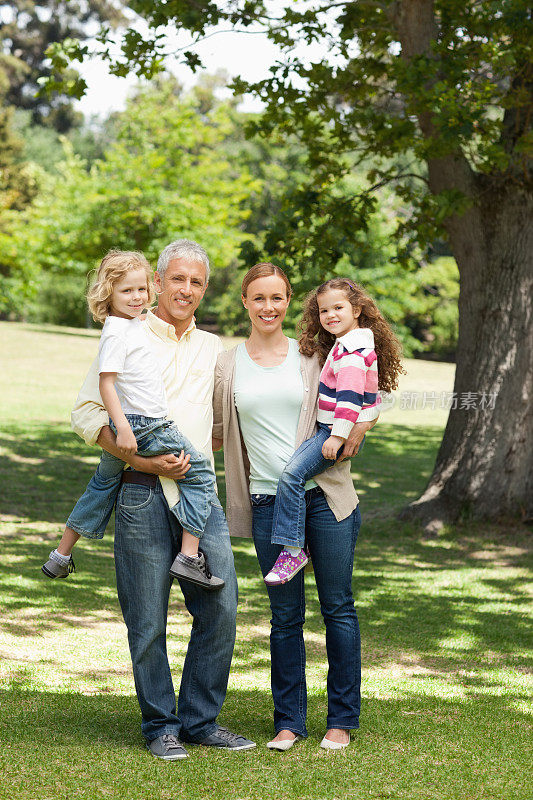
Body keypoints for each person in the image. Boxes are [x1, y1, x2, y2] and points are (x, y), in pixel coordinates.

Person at [69, 239, 255, 760]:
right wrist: (146, 461)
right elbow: (87, 413)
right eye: (178, 279)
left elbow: (223, 421)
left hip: (200, 498)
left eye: (197, 282)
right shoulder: (126, 333)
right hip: (141, 495)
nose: (187, 290)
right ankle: (161, 725)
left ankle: (200, 720)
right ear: (157, 281)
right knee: (147, 620)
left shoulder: (212, 347)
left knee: (221, 608)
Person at [212, 263, 380, 751]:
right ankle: (289, 722)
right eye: (259, 298)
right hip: (267, 503)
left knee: (338, 609)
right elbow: (219, 429)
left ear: (289, 302)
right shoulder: (228, 364)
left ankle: (341, 720)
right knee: (285, 617)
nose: (269, 307)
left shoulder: (315, 353)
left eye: (278, 298)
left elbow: (366, 393)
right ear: (244, 301)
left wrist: (356, 434)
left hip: (325, 498)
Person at [42, 249, 224, 590]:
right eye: (127, 291)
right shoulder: (117, 333)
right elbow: (104, 383)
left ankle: (61, 554)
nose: (137, 297)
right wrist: (128, 438)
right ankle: (189, 557)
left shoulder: (135, 325)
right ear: (108, 294)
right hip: (147, 425)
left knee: (100, 484)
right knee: (199, 474)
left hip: (136, 425)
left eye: (141, 290)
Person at [263, 278, 403, 586]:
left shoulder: (352, 352)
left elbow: (351, 399)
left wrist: (338, 435)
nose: (330, 315)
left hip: (333, 431)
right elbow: (375, 396)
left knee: (291, 476)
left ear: (356, 310)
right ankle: (302, 543)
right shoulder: (348, 345)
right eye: (324, 310)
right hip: (333, 428)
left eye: (338, 308)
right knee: (295, 475)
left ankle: (293, 550)